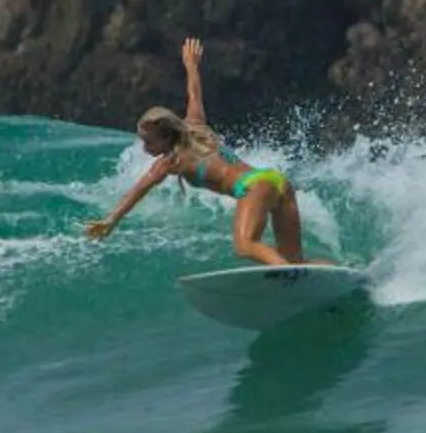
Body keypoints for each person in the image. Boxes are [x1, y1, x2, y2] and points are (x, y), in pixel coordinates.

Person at [84, 38, 310, 265]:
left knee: (245, 245)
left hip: (253, 188)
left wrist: (111, 220)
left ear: (166, 137)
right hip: (276, 181)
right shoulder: (196, 126)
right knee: (296, 260)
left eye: (149, 143)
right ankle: (314, 272)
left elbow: (138, 190)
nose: (145, 148)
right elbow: (194, 95)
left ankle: (286, 271)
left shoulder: (172, 160)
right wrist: (191, 65)